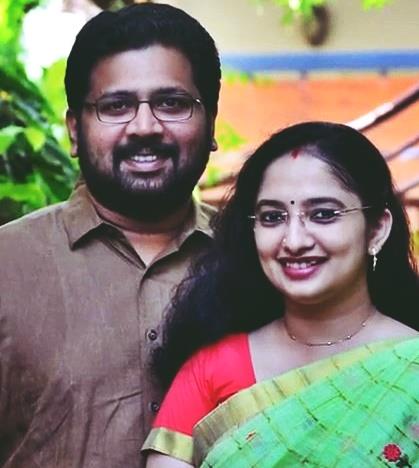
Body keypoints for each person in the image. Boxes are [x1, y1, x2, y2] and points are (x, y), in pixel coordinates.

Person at [0, 3, 220, 467]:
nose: (145, 127)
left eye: (172, 103)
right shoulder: (7, 265)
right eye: (116, 106)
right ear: (74, 131)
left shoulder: (260, 258)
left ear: (212, 123)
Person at [143, 122, 419, 467]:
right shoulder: (213, 369)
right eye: (273, 217)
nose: (294, 241)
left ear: (376, 229)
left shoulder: (411, 369)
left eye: (323, 214)